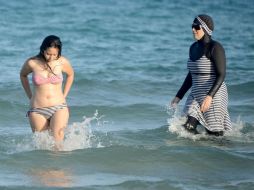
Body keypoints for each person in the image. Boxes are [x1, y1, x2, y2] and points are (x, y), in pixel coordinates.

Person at [171, 14, 232, 136]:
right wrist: (179, 96)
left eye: (197, 27)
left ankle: (223, 152)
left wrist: (210, 97)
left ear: (205, 29)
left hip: (214, 94)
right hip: (196, 94)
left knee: (215, 135)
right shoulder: (193, 47)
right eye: (192, 27)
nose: (193, 29)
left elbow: (221, 74)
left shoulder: (216, 47)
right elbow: (191, 75)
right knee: (186, 128)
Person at [20, 35, 74, 146]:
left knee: (58, 144)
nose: (51, 57)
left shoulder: (62, 62)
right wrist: (30, 96)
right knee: (42, 146)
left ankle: (59, 164)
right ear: (43, 49)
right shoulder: (32, 63)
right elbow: (23, 75)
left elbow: (71, 75)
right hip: (37, 110)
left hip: (59, 107)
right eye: (48, 54)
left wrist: (64, 95)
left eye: (55, 54)